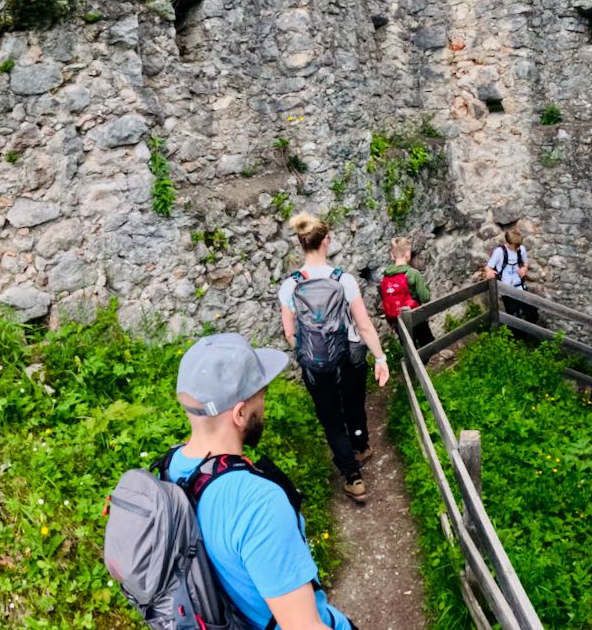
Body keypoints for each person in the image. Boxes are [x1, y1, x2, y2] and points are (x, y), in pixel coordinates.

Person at [167, 332, 359, 630]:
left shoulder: (172, 466)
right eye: (262, 396)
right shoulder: (256, 502)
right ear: (240, 414)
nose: (264, 407)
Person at [278, 213, 389, 503]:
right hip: (350, 356)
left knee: (330, 418)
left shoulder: (290, 285)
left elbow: (289, 332)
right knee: (353, 404)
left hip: (315, 363)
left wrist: (310, 352)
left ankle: (353, 477)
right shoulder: (344, 280)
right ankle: (361, 444)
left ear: (301, 244)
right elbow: (364, 325)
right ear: (326, 241)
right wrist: (380, 358)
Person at [379, 236, 435, 347]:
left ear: (392, 255)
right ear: (408, 254)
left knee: (409, 349)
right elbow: (425, 297)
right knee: (428, 345)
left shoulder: (385, 277)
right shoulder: (413, 273)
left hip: (397, 321)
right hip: (416, 317)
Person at [484, 229, 538, 325]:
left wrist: (524, 269)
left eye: (519, 245)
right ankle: (515, 336)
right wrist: (489, 272)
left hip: (520, 287)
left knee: (532, 314)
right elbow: (488, 267)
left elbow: (525, 263)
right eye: (516, 245)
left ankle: (525, 335)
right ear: (508, 243)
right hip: (507, 290)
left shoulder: (521, 249)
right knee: (513, 316)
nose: (518, 247)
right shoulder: (499, 252)